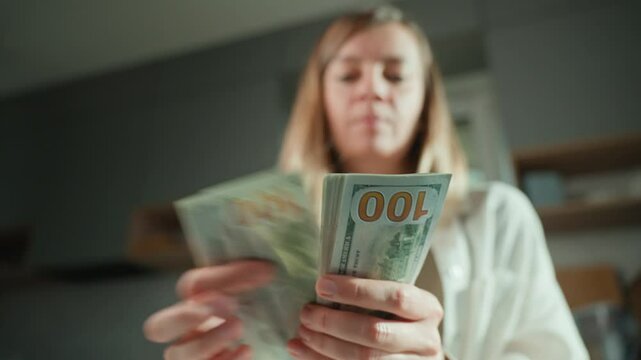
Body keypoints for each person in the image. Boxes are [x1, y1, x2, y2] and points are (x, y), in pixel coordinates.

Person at [143, 6, 589, 360]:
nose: (373, 89)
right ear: (322, 100)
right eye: (348, 74)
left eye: (395, 75)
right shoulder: (274, 235)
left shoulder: (499, 216)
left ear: (426, 100)